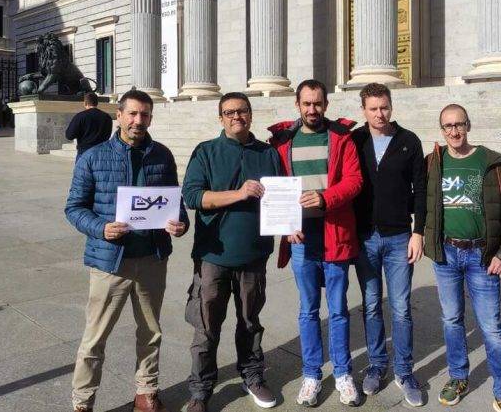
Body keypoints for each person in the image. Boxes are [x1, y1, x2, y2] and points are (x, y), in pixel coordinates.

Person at [65, 89, 189, 412]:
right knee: (94, 338)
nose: (138, 121)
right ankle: (82, 401)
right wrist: (101, 228)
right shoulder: (94, 157)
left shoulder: (162, 155)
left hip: (151, 259)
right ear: (118, 115)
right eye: (132, 114)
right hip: (110, 262)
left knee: (151, 331)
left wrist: (179, 224)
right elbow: (74, 208)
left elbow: (176, 205)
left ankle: (146, 393)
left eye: (144, 115)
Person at [181, 92, 283, 412]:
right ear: (220, 117)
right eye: (229, 112)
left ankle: (252, 376)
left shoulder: (268, 153)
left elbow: (280, 197)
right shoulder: (206, 151)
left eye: (242, 111)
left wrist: (290, 223)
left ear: (251, 115)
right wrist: (238, 194)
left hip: (254, 254)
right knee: (206, 326)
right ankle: (201, 389)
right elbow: (193, 197)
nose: (236, 117)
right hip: (214, 255)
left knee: (250, 321)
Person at [268, 79, 363, 407]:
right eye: (306, 104)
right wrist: (285, 223)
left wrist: (324, 198)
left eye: (318, 104)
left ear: (326, 104)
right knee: (308, 310)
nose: (312, 110)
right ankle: (311, 374)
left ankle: (342, 373)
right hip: (300, 239)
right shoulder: (282, 141)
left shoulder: (341, 137)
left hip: (334, 232)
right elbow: (274, 187)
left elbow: (354, 181)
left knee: (337, 310)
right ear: (297, 105)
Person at [425, 104, 501, 412]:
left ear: (469, 125)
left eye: (459, 125)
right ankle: (458, 377)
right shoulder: (433, 164)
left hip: (482, 256)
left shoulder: (494, 163)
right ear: (442, 130)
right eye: (448, 126)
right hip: (446, 255)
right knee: (452, 320)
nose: (454, 131)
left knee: (491, 328)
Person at [351, 83, 426, 407]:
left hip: (398, 238)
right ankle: (377, 365)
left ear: (391, 106)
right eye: (373, 108)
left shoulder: (408, 141)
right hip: (365, 237)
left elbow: (422, 190)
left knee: (401, 308)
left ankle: (405, 371)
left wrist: (418, 232)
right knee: (370, 305)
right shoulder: (355, 140)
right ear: (364, 110)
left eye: (384, 107)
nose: (380, 114)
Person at [65, 92, 114, 160]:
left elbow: (69, 135)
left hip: (84, 153)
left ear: (85, 103)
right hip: (102, 154)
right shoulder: (107, 117)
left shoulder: (80, 116)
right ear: (97, 103)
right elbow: (108, 135)